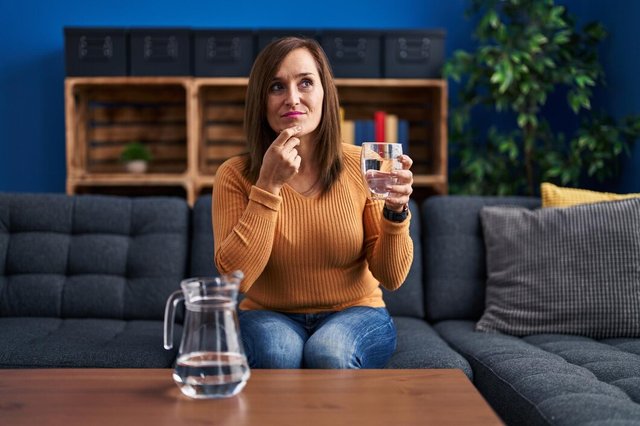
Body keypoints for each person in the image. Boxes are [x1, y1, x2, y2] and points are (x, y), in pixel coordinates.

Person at [212, 37, 414, 369]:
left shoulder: (367, 163)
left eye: (305, 82)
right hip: (267, 314)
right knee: (278, 353)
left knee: (329, 352)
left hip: (357, 312)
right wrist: (267, 185)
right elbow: (237, 277)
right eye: (277, 86)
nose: (292, 98)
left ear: (324, 93)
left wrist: (396, 212)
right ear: (261, 101)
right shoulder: (234, 175)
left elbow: (391, 277)